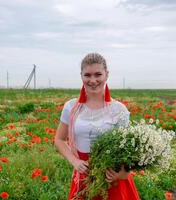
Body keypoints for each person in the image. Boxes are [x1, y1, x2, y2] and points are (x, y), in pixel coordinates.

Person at [55, 53, 139, 200]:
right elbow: (59, 139)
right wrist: (75, 161)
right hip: (84, 177)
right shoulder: (71, 107)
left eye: (98, 74)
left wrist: (120, 174)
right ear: (81, 76)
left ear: (107, 75)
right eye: (87, 75)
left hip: (112, 181)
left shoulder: (119, 110)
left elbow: (127, 151)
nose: (92, 80)